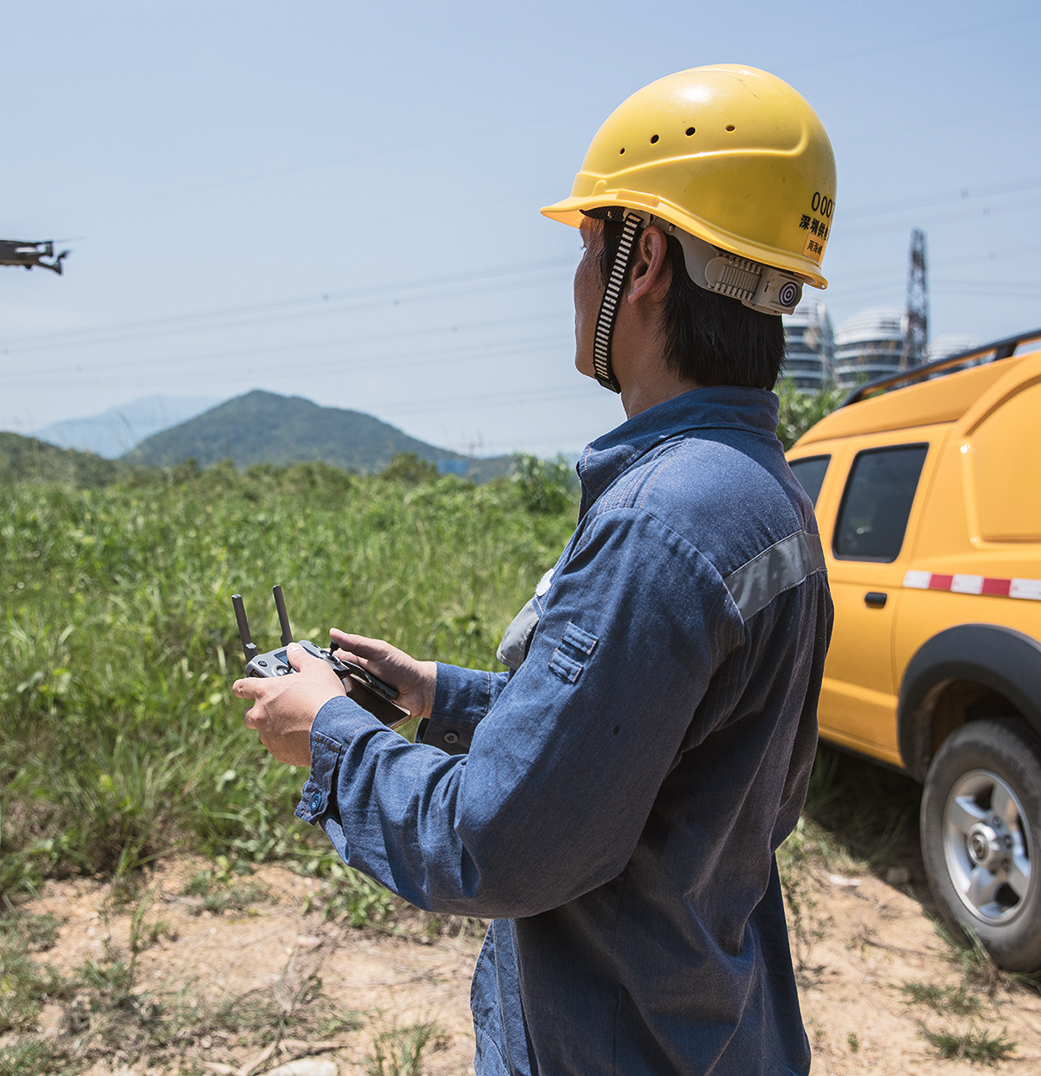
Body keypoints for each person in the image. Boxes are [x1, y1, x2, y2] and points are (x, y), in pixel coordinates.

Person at [234, 64, 835, 1076]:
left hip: (612, 1042)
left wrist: (328, 732)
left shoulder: (659, 521)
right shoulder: (763, 496)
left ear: (640, 264)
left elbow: (502, 843)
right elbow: (705, 768)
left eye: (587, 246)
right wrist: (442, 695)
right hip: (717, 1027)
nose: (574, 277)